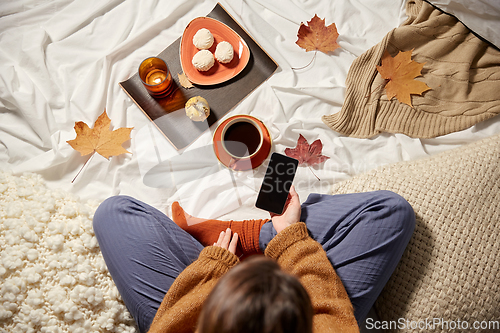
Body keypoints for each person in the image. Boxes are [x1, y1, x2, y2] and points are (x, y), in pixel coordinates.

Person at [93, 186, 415, 333]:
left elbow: (172, 325)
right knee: (390, 212)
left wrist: (213, 267)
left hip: (185, 318)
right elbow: (328, 314)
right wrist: (289, 238)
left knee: (114, 212)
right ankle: (256, 236)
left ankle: (241, 236)